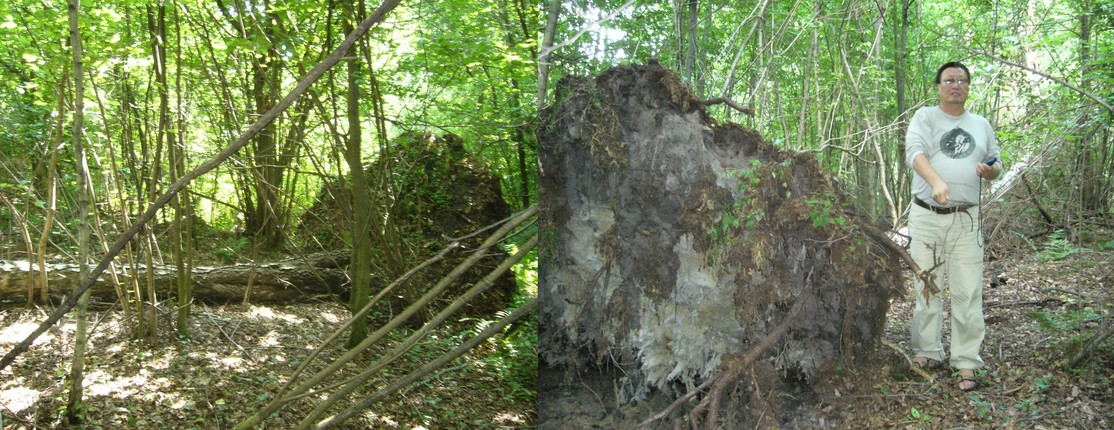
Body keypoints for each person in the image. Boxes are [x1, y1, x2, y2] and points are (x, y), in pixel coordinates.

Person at [904, 61, 1001, 391]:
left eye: (961, 80)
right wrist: (936, 181)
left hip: (967, 219)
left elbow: (995, 159)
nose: (955, 85)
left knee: (967, 290)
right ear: (939, 86)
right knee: (927, 286)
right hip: (927, 215)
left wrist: (992, 171)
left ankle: (966, 360)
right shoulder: (926, 117)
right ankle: (927, 350)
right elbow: (914, 153)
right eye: (949, 80)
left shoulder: (981, 124)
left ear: (968, 86)